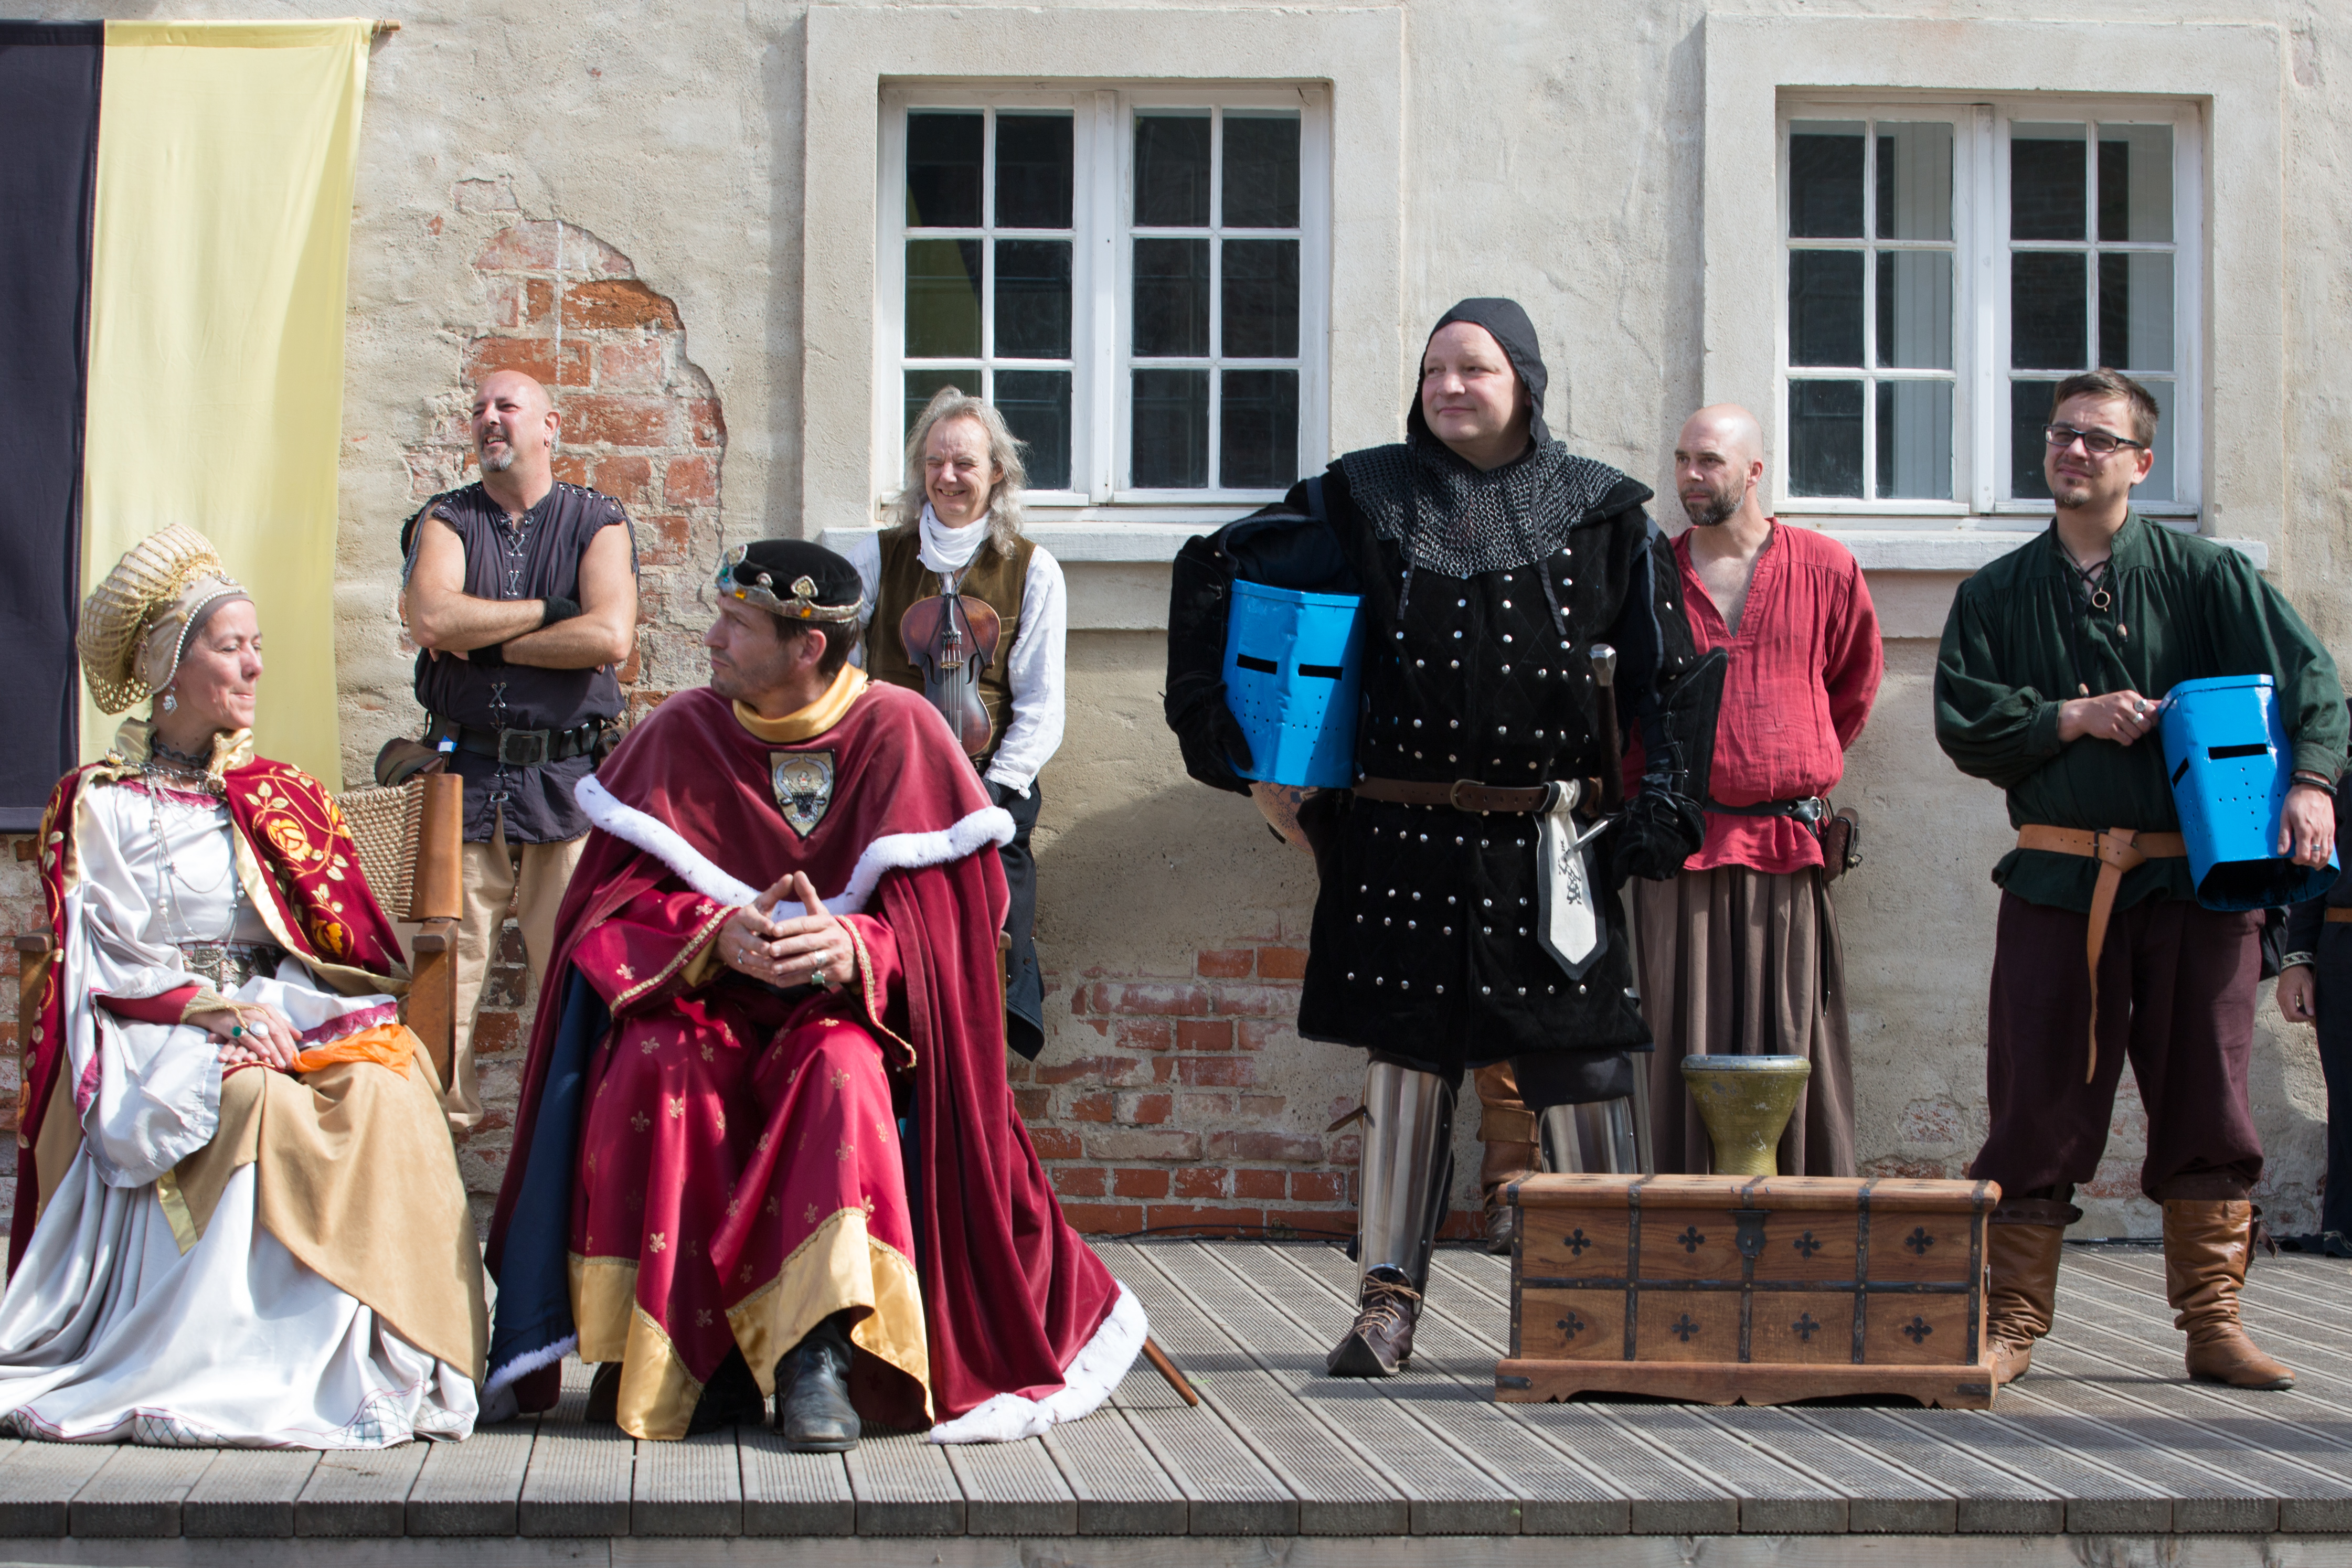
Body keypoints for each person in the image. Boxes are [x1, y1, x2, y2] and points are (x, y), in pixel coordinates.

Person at [1165, 298, 1720, 1377]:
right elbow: (1222, 570)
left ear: (1525, 384)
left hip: (1549, 839)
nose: (1450, 387)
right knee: (1408, 1060)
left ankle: (1610, 1304)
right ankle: (1386, 1303)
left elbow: (1672, 675)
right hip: (1398, 835)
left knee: (1582, 1057)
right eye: (1434, 370)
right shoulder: (1361, 497)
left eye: (1474, 368)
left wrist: (1663, 805)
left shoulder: (1602, 513)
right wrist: (1247, 753)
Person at [482, 540, 1141, 1446]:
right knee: (658, 1057)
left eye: (735, 624)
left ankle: (816, 1353)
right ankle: (684, 1358)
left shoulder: (900, 733)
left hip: (847, 1017)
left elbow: (957, 929)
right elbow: (605, 911)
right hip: (708, 1005)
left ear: (808, 647)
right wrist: (711, 934)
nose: (710, 639)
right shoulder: (680, 733)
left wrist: (856, 943)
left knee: (839, 1068)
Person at [2, 526, 487, 1446]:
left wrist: (271, 1010)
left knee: (386, 1087)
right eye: (232, 647)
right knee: (255, 1096)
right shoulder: (101, 801)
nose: (256, 665)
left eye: (257, 644)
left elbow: (335, 940)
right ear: (169, 667)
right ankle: (233, 1359)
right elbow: (102, 953)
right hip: (159, 1024)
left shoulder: (273, 794)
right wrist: (214, 1015)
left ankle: (390, 1353)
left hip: (284, 1007)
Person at [1935, 368, 2346, 1391]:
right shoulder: (1994, 593)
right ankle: (2012, 1322)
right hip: (2055, 882)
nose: (2071, 451)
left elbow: (2312, 682)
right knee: (2034, 1100)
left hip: (2197, 887)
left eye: (2097, 439)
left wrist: (2310, 783)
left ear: (2141, 463)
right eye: (2059, 434)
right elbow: (1963, 720)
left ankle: (2213, 1323)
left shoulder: (2208, 576)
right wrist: (2064, 718)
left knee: (2208, 1096)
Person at [1633, 406, 1881, 1177]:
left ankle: (1799, 1216)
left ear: (1753, 471)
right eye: (1681, 459)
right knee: (1675, 1044)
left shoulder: (1823, 568)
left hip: (1785, 849)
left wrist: (1781, 760)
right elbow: (1621, 710)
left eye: (1708, 460)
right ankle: (1676, 1215)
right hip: (1677, 850)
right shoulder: (1646, 575)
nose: (1689, 476)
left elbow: (1851, 688)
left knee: (1788, 1039)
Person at [400, 370, 640, 1132]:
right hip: (464, 782)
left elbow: (609, 636)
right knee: (438, 1000)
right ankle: (429, 1169)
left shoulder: (597, 519)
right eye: (479, 408)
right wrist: (547, 612)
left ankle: (572, 1173)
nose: (489, 419)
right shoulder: (447, 518)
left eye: (506, 406)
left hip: (568, 786)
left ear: (549, 426)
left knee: (579, 993)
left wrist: (487, 640)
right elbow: (432, 619)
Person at [846, 387, 1067, 1059]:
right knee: (887, 949)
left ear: (996, 472)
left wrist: (992, 793)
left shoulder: (1032, 569)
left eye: (965, 463)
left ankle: (981, 1071)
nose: (947, 476)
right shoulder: (876, 557)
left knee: (990, 950)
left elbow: (1041, 704)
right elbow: (843, 677)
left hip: (988, 785)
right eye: (934, 461)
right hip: (890, 783)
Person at [2270, 736, 2352, 1254]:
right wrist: (2297, 958)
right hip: (2343, 943)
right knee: (2345, 1094)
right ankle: (2343, 1226)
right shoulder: (2336, 738)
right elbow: (2313, 858)